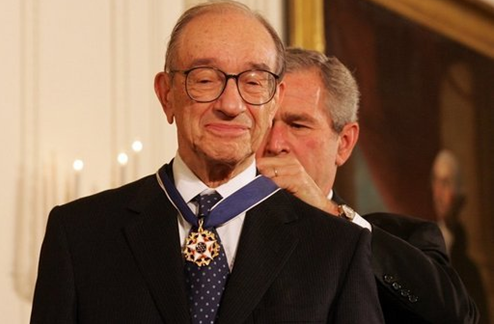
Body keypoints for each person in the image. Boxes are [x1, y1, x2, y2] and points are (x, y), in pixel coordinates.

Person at [30, 2, 384, 323]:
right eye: (204, 79)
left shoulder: (334, 248)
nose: (231, 105)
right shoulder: (80, 234)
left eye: (254, 82)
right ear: (166, 94)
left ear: (275, 100)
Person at [257, 47, 480, 324]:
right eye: (265, 123)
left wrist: (333, 214)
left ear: (345, 143)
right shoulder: (213, 223)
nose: (274, 144)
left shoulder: (405, 238)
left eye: (298, 125)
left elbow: (456, 317)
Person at [431, 149, 490, 324]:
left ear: (459, 196)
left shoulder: (469, 266)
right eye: (436, 182)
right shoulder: (425, 241)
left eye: (446, 183)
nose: (439, 192)